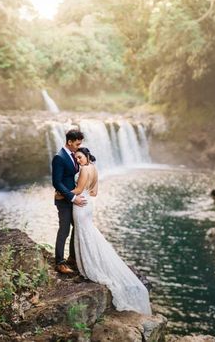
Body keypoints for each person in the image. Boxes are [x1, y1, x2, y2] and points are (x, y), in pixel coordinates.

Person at [71, 147, 152, 315]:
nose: (78, 160)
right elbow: (94, 192)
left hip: (80, 204)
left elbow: (78, 190)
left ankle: (89, 267)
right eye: (76, 158)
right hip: (88, 204)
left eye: (80, 157)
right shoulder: (93, 168)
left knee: (84, 235)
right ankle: (90, 263)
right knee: (88, 234)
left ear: (86, 156)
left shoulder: (85, 169)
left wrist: (62, 192)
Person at [51, 129, 87, 274]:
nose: (78, 147)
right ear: (69, 142)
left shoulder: (73, 155)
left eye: (80, 144)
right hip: (64, 200)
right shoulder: (59, 157)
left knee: (77, 227)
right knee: (64, 230)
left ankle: (72, 257)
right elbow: (56, 182)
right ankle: (59, 263)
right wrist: (72, 197)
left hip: (73, 197)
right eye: (76, 144)